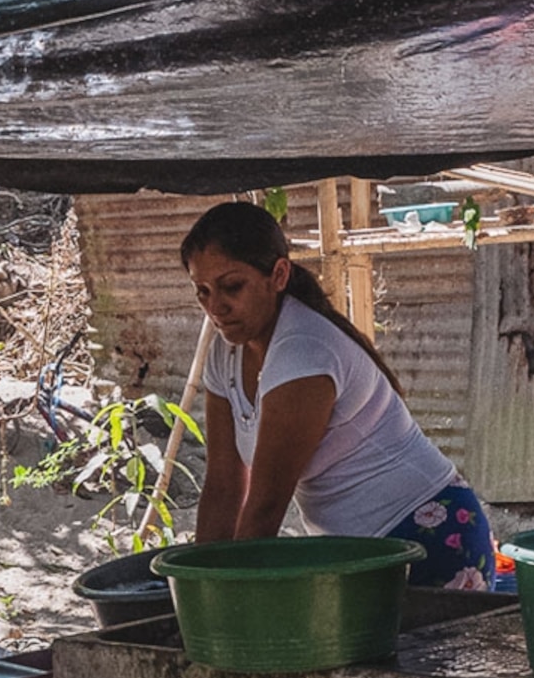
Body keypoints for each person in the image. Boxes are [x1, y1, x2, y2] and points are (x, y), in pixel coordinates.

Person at [182, 201, 497, 589]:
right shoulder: (225, 352)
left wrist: (225, 598)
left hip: (428, 535)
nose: (216, 307)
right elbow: (224, 486)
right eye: (202, 291)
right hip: (357, 553)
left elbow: (264, 508)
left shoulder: (303, 353)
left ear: (278, 275)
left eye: (232, 287)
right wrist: (196, 586)